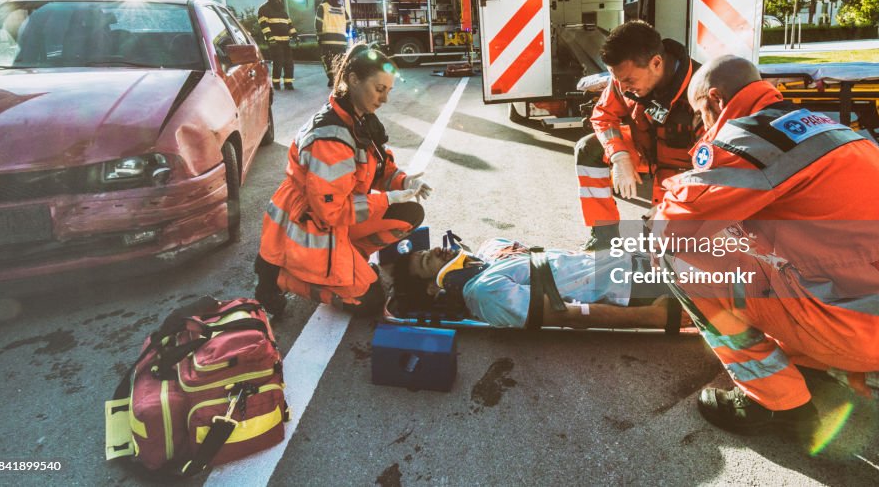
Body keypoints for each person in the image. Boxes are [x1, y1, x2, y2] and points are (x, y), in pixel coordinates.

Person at [653, 55, 879, 447]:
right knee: (791, 346)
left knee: (675, 257)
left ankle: (774, 402)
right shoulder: (826, 127)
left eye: (699, 113)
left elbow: (675, 225)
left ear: (717, 99)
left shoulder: (748, 138)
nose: (700, 125)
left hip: (852, 325)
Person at [254, 44, 433, 316]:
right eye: (379, 89)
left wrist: (404, 182)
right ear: (353, 80)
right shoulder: (331, 138)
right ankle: (279, 276)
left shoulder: (358, 119)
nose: (384, 99)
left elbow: (379, 169)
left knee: (409, 212)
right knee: (371, 302)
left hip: (335, 220)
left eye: (388, 91)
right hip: (310, 226)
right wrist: (386, 199)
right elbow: (331, 211)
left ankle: (348, 257)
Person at [575, 20, 701, 250]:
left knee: (664, 250)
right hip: (644, 152)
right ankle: (603, 235)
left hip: (685, 171)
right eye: (618, 80)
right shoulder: (623, 80)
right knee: (588, 148)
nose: (622, 88)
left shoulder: (701, 92)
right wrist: (619, 156)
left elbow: (712, 171)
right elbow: (603, 116)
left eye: (629, 81)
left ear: (656, 63)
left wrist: (667, 208)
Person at [399, 237, 688, 331]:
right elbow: (567, 313)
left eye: (428, 249)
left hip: (635, 258)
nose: (436, 251)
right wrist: (654, 317)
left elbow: (562, 263)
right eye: (427, 261)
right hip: (636, 288)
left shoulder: (490, 253)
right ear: (433, 289)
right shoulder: (485, 293)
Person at [257, 0, 298, 90]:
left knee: (289, 62)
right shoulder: (264, 9)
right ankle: (276, 83)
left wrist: (295, 35)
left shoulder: (282, 10)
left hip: (285, 40)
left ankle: (288, 83)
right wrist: (270, 39)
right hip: (275, 41)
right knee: (278, 62)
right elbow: (264, 25)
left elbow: (289, 24)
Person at [315, 0, 348, 88]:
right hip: (341, 41)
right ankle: (339, 79)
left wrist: (319, 37)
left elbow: (318, 23)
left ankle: (332, 79)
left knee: (328, 60)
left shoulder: (323, 7)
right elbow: (349, 23)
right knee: (340, 60)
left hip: (327, 40)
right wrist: (344, 34)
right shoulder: (342, 9)